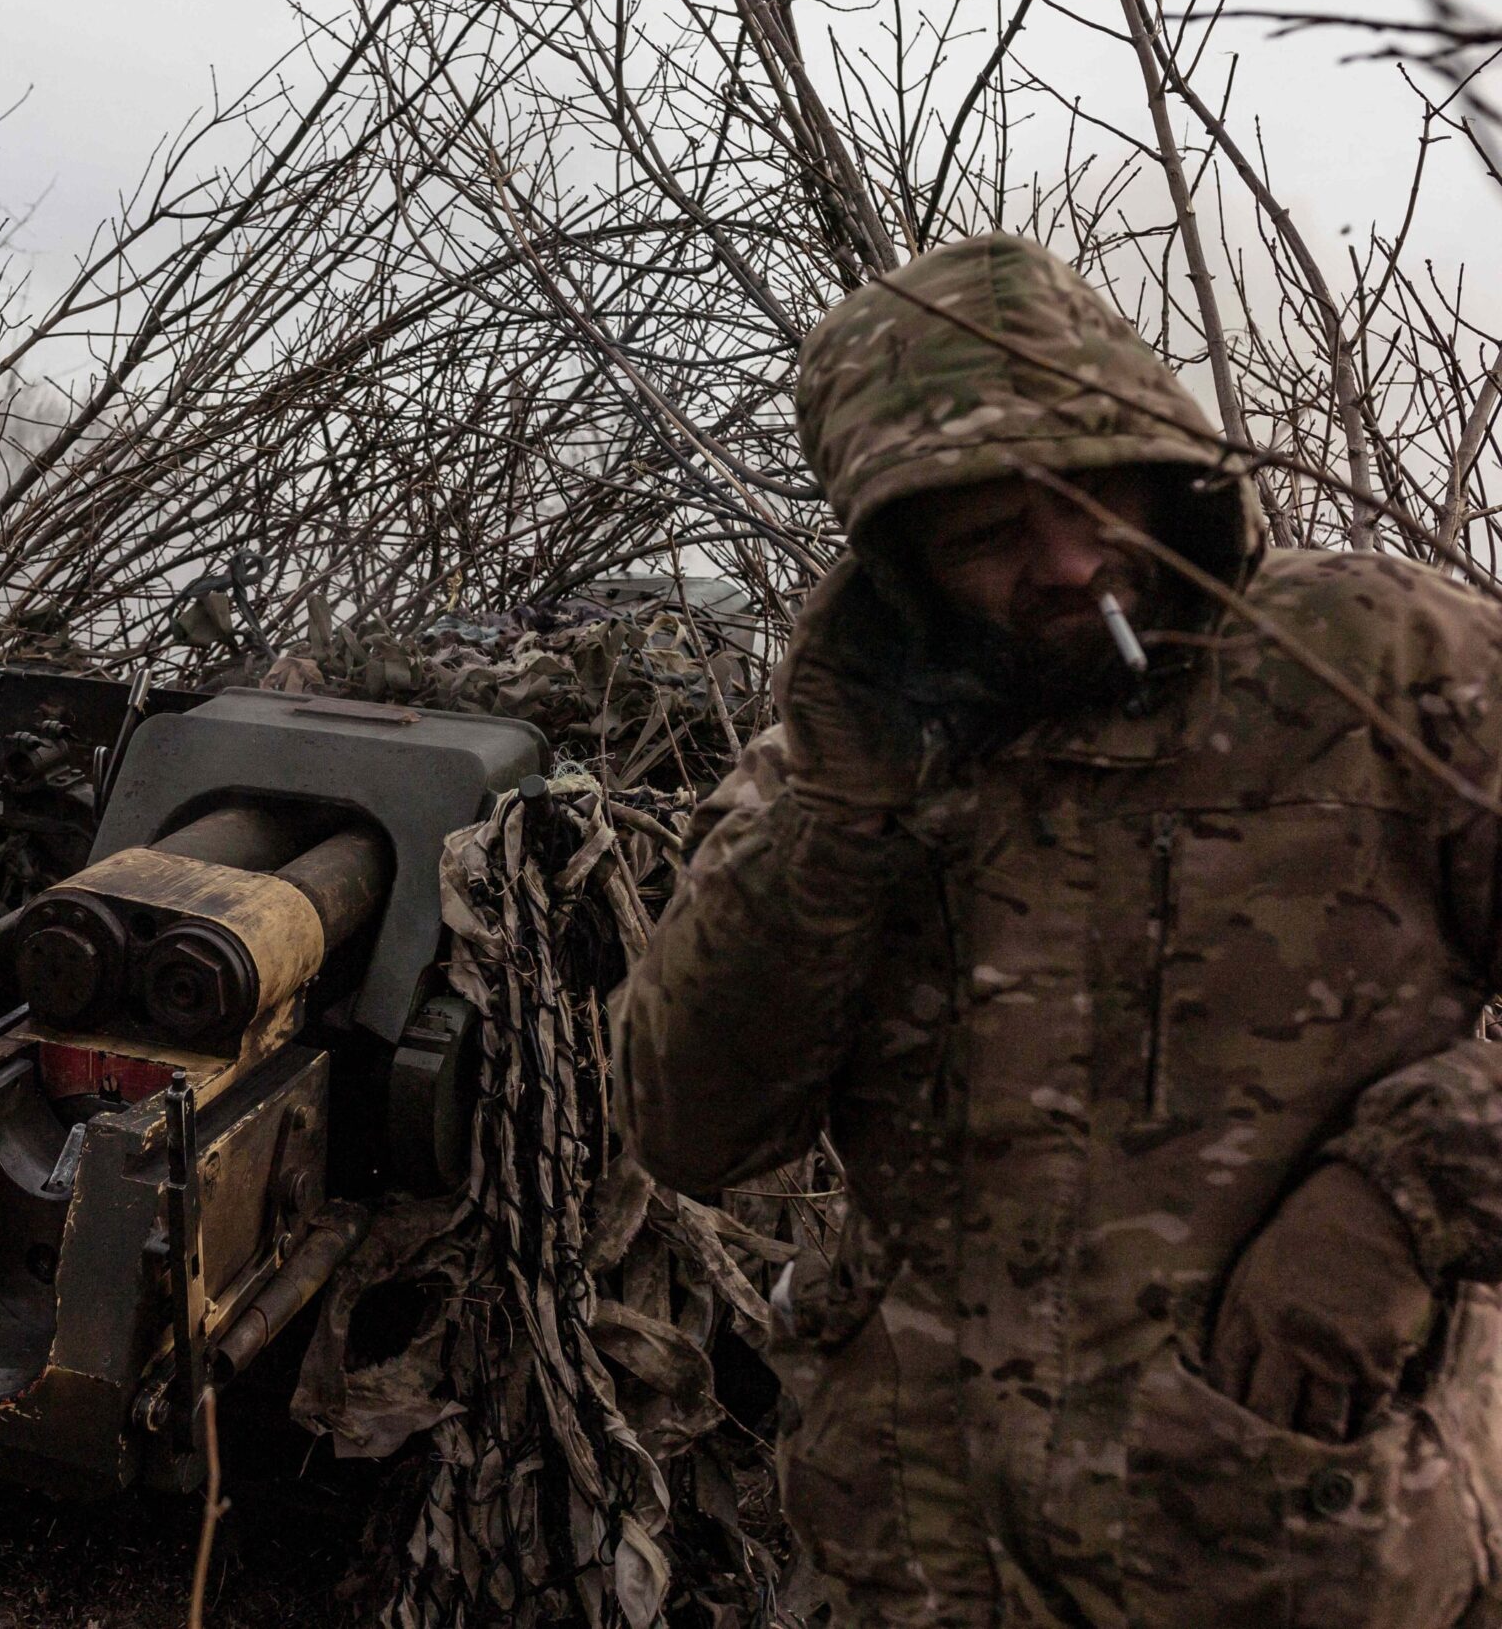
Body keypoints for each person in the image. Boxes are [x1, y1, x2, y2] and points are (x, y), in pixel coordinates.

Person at [617, 233, 1502, 1626]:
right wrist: (842, 818)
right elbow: (688, 1128)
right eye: (989, 538)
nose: (1076, 564)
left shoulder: (1380, 666)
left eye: (1099, 497)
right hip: (913, 1559)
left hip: (1294, 1553)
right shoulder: (838, 772)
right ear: (899, 564)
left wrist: (1400, 1200)